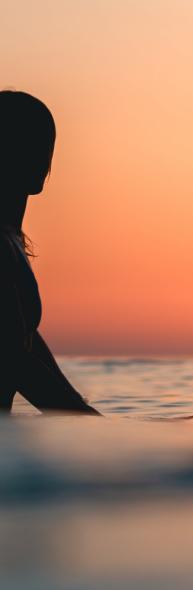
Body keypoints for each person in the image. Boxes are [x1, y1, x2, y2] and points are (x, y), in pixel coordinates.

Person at [0, 90, 100, 414]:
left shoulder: (12, 241)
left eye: (45, 142)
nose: (40, 155)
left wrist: (94, 422)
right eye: (22, 143)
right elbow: (16, 361)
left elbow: (28, 340)